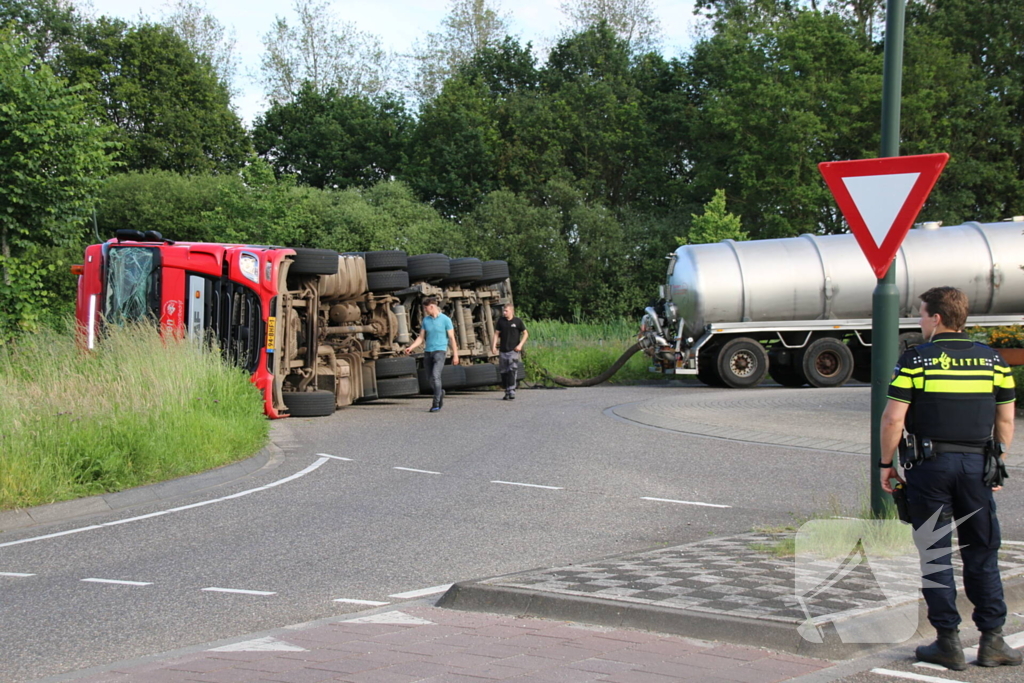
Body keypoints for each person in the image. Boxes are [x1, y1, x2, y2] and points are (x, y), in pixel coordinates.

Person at [880, 286, 1020, 670]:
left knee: (936, 553)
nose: (920, 321)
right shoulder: (992, 360)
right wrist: (996, 461)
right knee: (982, 552)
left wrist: (885, 464)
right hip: (977, 468)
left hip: (930, 468)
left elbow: (894, 418)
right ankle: (993, 640)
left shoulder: (916, 360)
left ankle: (948, 643)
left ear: (937, 318)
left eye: (922, 314)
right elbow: (1005, 419)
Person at [404, 296, 459, 412]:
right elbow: (421, 337)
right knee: (430, 379)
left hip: (440, 351)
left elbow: (452, 338)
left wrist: (455, 355)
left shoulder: (445, 320)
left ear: (432, 307)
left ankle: (436, 403)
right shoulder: (426, 320)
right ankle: (440, 392)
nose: (425, 310)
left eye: (426, 308)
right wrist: (411, 347)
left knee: (435, 375)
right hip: (428, 352)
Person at [491, 303, 528, 400]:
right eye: (504, 311)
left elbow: (525, 334)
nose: (504, 312)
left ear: (511, 311)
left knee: (512, 370)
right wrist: (494, 346)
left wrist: (520, 345)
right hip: (503, 350)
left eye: (506, 311)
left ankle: (512, 391)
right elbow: (496, 334)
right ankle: (506, 391)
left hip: (513, 350)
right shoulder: (501, 321)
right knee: (504, 372)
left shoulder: (518, 321)